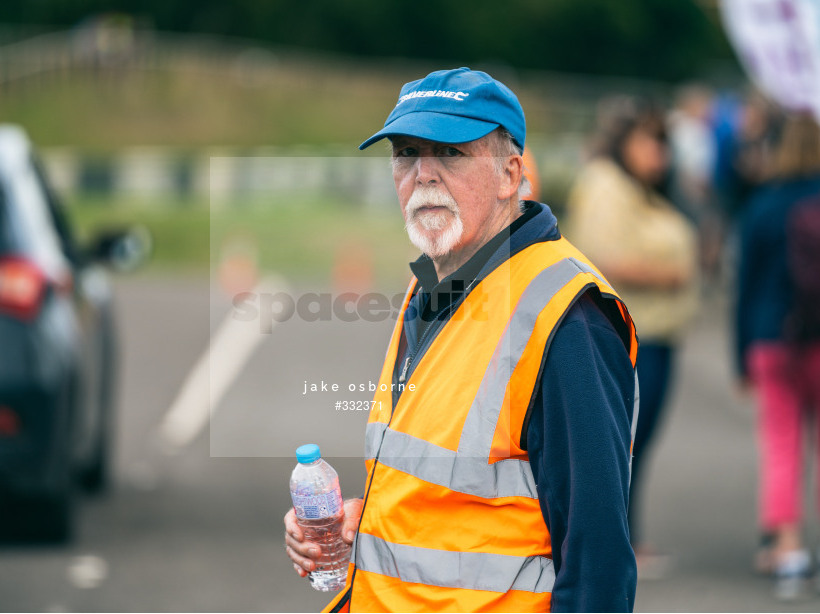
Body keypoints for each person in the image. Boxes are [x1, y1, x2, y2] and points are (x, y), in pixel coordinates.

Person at [284, 67, 639, 612]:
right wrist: (365, 522)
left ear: (508, 174)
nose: (423, 174)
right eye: (406, 153)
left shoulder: (568, 317)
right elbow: (456, 493)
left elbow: (599, 566)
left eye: (450, 154)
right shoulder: (428, 284)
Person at [563, 97, 698, 573]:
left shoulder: (643, 189)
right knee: (619, 445)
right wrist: (670, 275)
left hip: (656, 334)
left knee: (631, 445)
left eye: (666, 142)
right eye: (652, 140)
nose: (661, 153)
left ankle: (623, 540)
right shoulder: (608, 185)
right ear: (625, 140)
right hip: (625, 338)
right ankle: (612, 546)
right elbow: (600, 258)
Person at [735, 113, 820, 601]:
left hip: (773, 339)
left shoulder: (763, 205)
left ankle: (788, 551)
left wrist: (740, 356)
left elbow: (745, 289)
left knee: (782, 444)